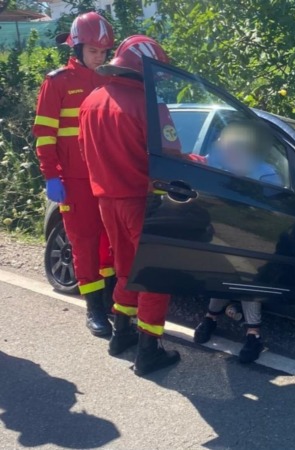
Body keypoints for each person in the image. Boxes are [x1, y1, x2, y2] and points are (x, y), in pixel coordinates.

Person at [78, 35, 180, 376]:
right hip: (142, 201)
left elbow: (84, 152)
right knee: (155, 273)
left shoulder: (91, 101)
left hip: (106, 201)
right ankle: (149, 350)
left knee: (126, 268)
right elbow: (172, 159)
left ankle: (121, 334)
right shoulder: (151, 107)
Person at [33, 11, 116, 337]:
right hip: (74, 180)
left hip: (107, 178)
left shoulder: (111, 81)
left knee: (109, 242)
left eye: (104, 52)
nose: (100, 57)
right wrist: (51, 175)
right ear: (77, 48)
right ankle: (94, 310)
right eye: (94, 51)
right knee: (84, 242)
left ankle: (110, 303)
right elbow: (44, 135)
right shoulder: (57, 83)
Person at [193, 122, 284, 363]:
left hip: (253, 238)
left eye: (235, 147)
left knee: (246, 275)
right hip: (219, 232)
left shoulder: (265, 173)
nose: (228, 151)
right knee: (221, 271)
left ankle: (253, 334)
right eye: (226, 146)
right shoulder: (216, 164)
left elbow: (276, 213)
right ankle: (211, 317)